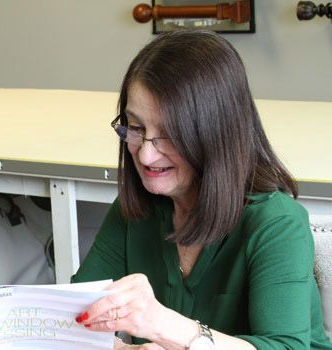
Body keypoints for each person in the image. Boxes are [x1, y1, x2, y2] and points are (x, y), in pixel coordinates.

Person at [72, 30, 332, 350]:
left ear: (215, 135)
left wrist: (163, 324)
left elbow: (286, 347)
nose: (145, 154)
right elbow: (75, 319)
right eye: (136, 128)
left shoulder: (277, 223)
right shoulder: (136, 211)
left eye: (168, 134)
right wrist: (127, 348)